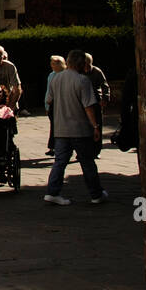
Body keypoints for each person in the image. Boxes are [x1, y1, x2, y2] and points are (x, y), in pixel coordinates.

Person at [44, 50, 107, 205]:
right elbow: (88, 107)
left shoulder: (56, 79)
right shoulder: (82, 81)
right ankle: (96, 194)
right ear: (80, 63)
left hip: (61, 128)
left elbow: (50, 100)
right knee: (87, 162)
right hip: (80, 129)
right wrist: (95, 126)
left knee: (60, 161)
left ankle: (52, 192)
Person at [84, 53, 110, 154]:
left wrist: (105, 98)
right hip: (84, 101)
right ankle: (84, 149)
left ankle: (96, 150)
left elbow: (105, 85)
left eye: (88, 65)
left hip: (95, 100)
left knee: (97, 124)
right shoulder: (79, 72)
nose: (86, 67)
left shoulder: (97, 71)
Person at [44, 55, 66, 155]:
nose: (52, 66)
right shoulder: (51, 75)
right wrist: (47, 105)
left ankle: (61, 147)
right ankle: (53, 147)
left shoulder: (65, 75)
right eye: (51, 63)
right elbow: (49, 90)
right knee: (53, 126)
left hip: (63, 104)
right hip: (52, 104)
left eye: (54, 64)